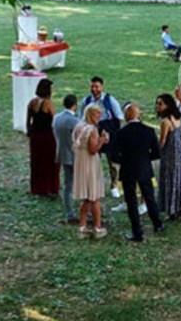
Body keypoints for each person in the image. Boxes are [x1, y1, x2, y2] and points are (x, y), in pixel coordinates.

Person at [111, 103, 165, 241]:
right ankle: (157, 224)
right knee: (149, 197)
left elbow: (114, 156)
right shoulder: (149, 131)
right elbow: (157, 153)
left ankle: (137, 232)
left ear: (126, 116)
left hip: (128, 169)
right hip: (144, 168)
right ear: (138, 114)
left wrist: (124, 160)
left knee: (131, 201)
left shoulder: (121, 133)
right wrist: (145, 158)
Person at [72, 104, 108, 239]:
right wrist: (102, 140)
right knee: (94, 197)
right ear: (90, 115)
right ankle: (97, 227)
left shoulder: (79, 126)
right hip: (90, 163)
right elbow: (93, 150)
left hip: (80, 162)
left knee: (86, 198)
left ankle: (82, 227)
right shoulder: (92, 129)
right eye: (97, 114)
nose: (99, 117)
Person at [155, 94, 181, 221]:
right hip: (179, 154)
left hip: (169, 155)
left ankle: (171, 209)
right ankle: (179, 207)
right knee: (177, 178)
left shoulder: (165, 122)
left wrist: (154, 151)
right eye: (157, 103)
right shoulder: (177, 118)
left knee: (169, 179)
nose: (157, 106)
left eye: (160, 104)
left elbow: (162, 141)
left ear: (168, 106)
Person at [25, 78, 60, 197]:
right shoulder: (48, 104)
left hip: (35, 136)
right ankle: (50, 187)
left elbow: (28, 121)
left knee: (37, 162)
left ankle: (37, 187)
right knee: (50, 162)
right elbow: (55, 121)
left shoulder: (32, 102)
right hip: (47, 136)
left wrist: (30, 132)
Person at [52, 93, 81, 225]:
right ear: (75, 105)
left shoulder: (56, 118)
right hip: (75, 155)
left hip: (62, 153)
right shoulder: (75, 121)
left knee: (68, 184)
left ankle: (69, 212)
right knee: (78, 184)